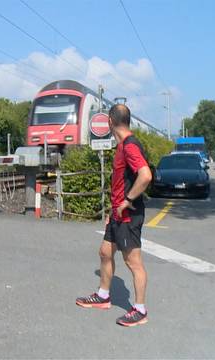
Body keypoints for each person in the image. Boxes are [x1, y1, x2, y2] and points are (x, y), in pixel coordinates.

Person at [75, 104, 152, 327]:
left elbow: (145, 176)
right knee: (105, 252)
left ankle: (140, 309)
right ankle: (103, 295)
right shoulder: (122, 146)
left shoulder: (129, 146)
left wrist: (127, 200)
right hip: (117, 215)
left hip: (129, 216)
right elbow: (119, 182)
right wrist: (112, 210)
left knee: (133, 262)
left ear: (110, 121)